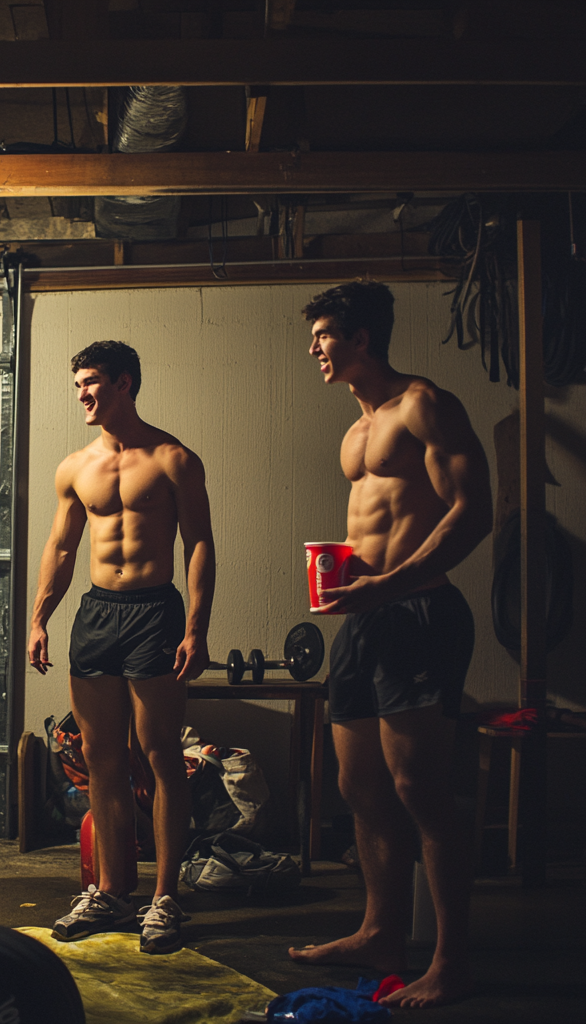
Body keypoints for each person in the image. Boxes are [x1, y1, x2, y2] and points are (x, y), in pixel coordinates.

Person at [289, 281, 492, 1008]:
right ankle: (381, 931)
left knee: (421, 793)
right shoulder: (354, 430)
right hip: (365, 621)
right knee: (359, 787)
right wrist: (350, 575)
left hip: (420, 616)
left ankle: (450, 961)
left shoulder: (424, 405)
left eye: (323, 335)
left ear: (361, 338)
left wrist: (391, 582)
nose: (313, 347)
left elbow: (474, 512)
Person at [28, 340, 215, 955]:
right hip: (96, 613)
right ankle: (112, 892)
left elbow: (199, 545)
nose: (83, 393)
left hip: (154, 612)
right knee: (100, 757)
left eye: (93, 382)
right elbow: (59, 548)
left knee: (160, 755)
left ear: (126, 383)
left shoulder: (174, 459)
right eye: (78, 383)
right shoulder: (74, 466)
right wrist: (39, 619)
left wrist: (196, 627)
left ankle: (165, 898)